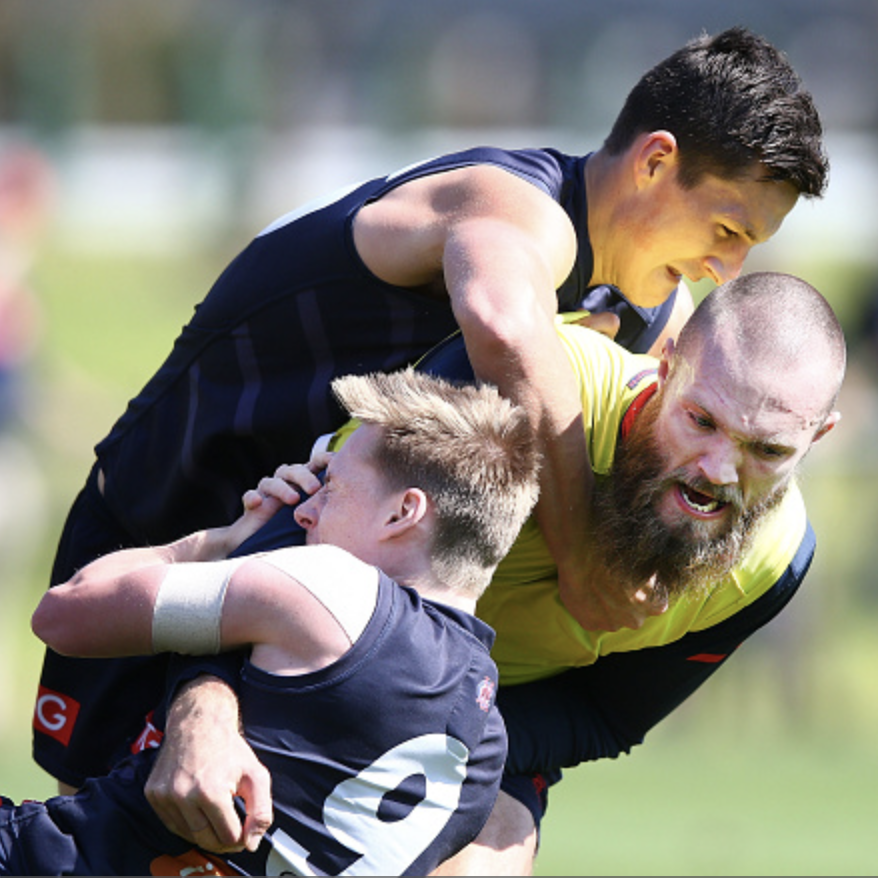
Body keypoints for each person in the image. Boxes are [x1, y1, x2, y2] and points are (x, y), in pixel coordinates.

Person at [34, 26, 828, 803]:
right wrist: (587, 559)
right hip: (177, 512)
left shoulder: (656, 326)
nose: (730, 266)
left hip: (318, 582)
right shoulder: (516, 207)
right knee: (113, 833)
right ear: (656, 161)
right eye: (727, 230)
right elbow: (504, 325)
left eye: (751, 245)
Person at [159, 271, 844, 873]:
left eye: (766, 450)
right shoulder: (519, 391)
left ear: (817, 438)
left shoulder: (775, 564)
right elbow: (274, 546)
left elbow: (606, 714)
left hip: (475, 738)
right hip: (279, 676)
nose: (718, 470)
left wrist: (447, 728)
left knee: (497, 846)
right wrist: (203, 713)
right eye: (700, 421)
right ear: (665, 366)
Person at [2, 368, 540, 876]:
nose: (304, 509)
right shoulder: (483, 749)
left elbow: (66, 612)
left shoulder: (337, 588)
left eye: (333, 487)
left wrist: (222, 542)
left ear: (403, 513)